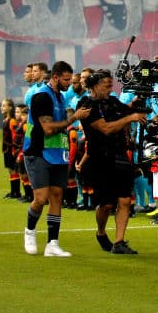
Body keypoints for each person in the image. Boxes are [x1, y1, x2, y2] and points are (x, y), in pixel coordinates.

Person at [22, 61, 91, 257]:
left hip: (58, 153)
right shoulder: (41, 97)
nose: (69, 83)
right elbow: (48, 128)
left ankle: (52, 244)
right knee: (41, 198)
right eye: (66, 79)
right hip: (39, 152)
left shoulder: (59, 97)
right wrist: (73, 118)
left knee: (56, 198)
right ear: (55, 77)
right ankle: (30, 231)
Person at [77, 69, 148, 254]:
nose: (109, 87)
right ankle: (101, 232)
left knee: (125, 200)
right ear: (94, 85)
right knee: (106, 203)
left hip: (120, 156)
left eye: (110, 84)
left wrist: (136, 103)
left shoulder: (113, 101)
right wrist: (130, 117)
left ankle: (119, 242)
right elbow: (106, 128)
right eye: (105, 84)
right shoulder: (86, 105)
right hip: (100, 159)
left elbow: (128, 110)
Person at [1, 98, 20, 199]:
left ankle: (16, 192)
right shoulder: (6, 120)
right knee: (10, 170)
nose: (2, 107)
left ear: (10, 107)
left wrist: (14, 149)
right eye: (2, 105)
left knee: (13, 170)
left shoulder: (12, 121)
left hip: (11, 149)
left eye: (4, 106)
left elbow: (14, 136)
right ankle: (13, 191)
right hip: (6, 149)